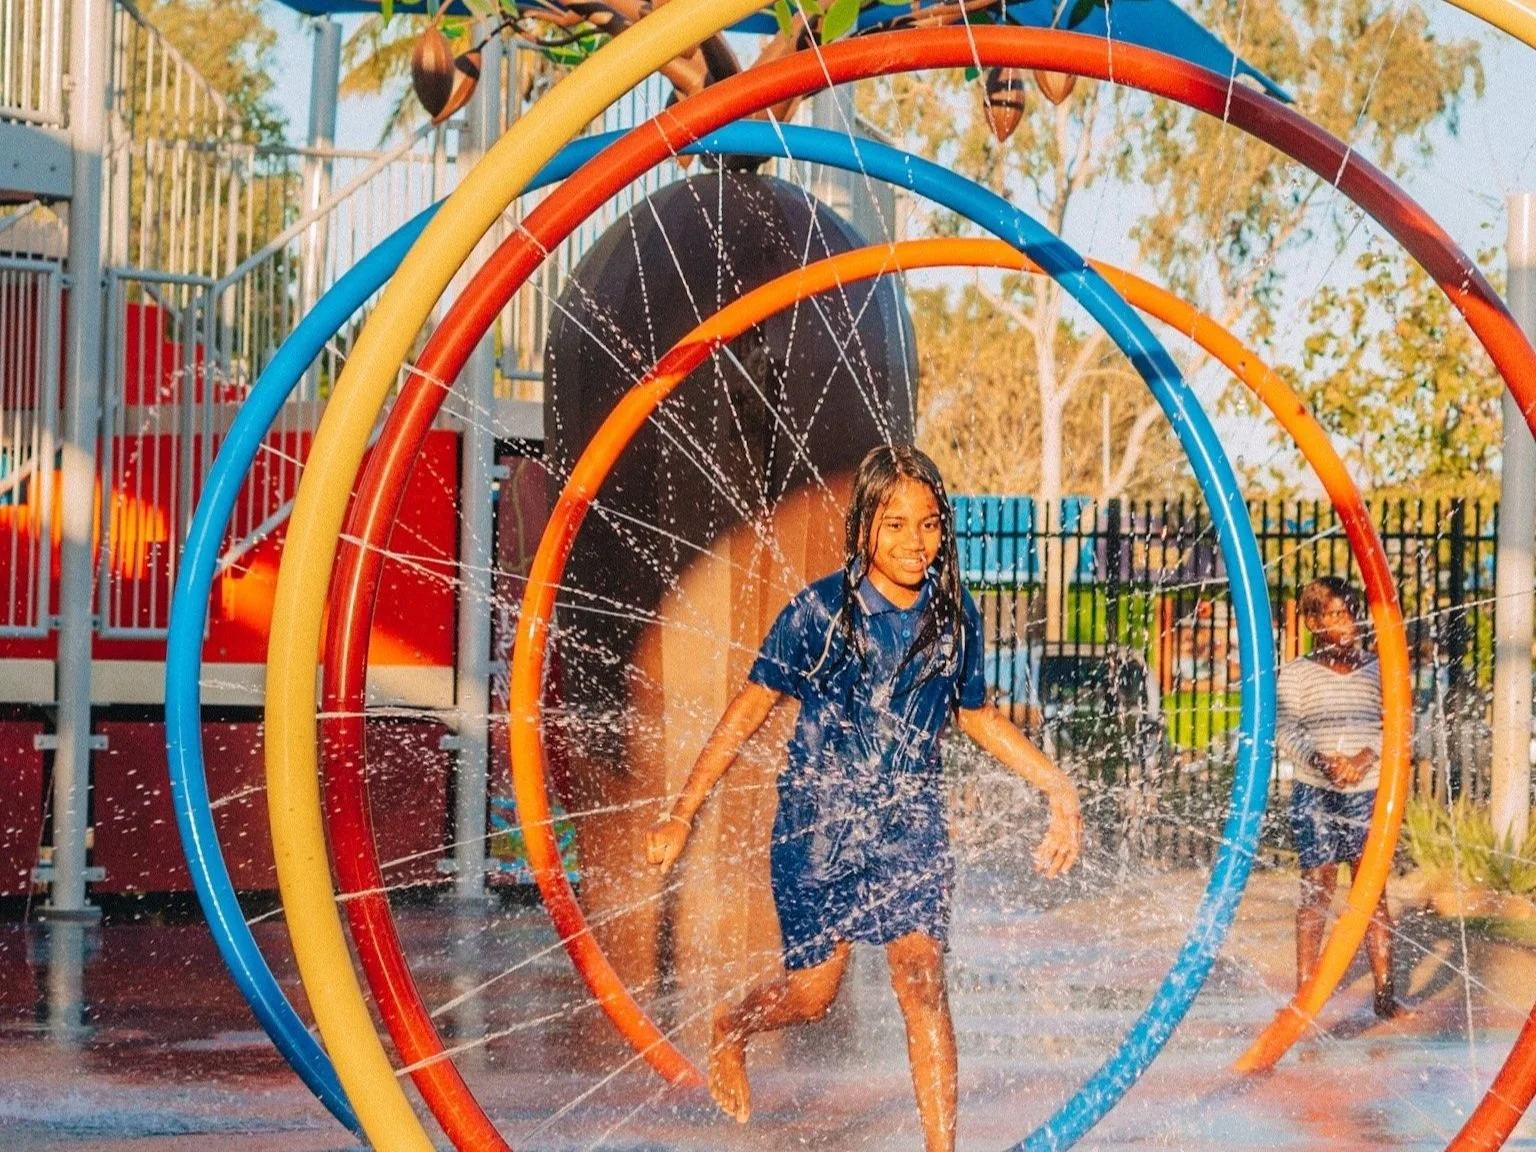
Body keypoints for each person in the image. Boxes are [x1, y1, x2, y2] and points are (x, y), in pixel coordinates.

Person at [645, 445, 1082, 1152]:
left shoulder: (954, 616)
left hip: (911, 825)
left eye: (930, 524)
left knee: (922, 978)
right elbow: (747, 711)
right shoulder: (820, 612)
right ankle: (733, 1024)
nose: (916, 541)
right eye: (896, 524)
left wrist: (1056, 785)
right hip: (818, 827)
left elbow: (975, 714)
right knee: (813, 996)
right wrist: (682, 813)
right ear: (864, 528)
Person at [1276, 576, 1405, 1019]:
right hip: (1315, 791)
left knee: (1371, 892)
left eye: (1349, 612)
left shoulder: (1377, 669)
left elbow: (1398, 722)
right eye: (1333, 615)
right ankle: (1305, 998)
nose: (1346, 623)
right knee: (1317, 887)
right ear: (1313, 623)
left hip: (1367, 791)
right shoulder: (1297, 674)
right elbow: (1285, 728)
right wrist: (1320, 759)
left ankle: (1385, 997)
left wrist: (1364, 757)